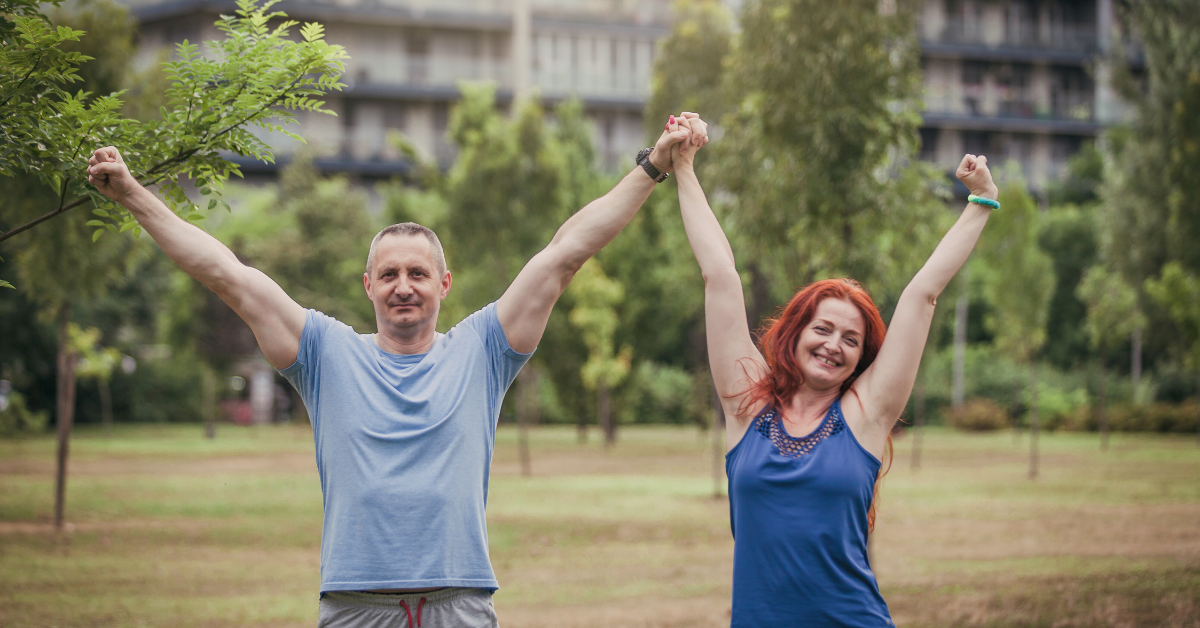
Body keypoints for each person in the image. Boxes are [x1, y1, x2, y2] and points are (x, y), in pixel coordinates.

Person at [84, 114, 703, 628]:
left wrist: (653, 165)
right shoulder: (324, 352)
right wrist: (132, 193)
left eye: (417, 274)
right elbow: (227, 274)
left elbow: (567, 252)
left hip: (460, 602)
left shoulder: (483, 348)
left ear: (443, 284)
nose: (403, 287)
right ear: (369, 286)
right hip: (356, 606)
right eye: (389, 274)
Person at [668, 114, 999, 626]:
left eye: (851, 339)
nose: (833, 346)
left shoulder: (866, 416)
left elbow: (922, 296)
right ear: (796, 332)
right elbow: (719, 277)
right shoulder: (746, 407)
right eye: (822, 329)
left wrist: (979, 202)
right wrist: (683, 165)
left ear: (862, 357)